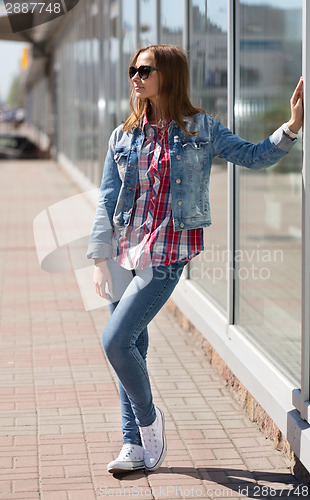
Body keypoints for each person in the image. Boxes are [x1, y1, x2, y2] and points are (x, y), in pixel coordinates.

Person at [87, 44, 303, 474]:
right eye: (133, 69)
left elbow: (253, 156)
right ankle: (133, 445)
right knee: (132, 352)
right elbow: (107, 199)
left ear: (168, 74)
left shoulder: (201, 129)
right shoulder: (123, 135)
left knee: (115, 341)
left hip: (166, 256)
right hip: (122, 253)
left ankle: (149, 426)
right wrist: (98, 258)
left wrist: (292, 128)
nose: (135, 76)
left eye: (144, 69)